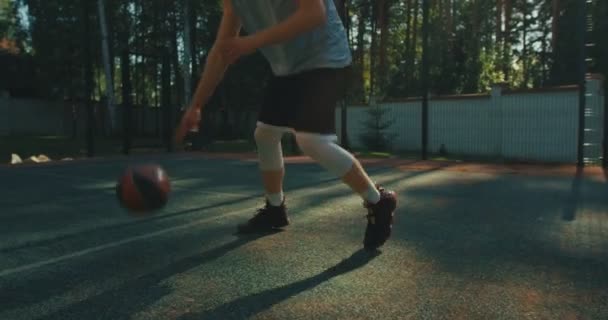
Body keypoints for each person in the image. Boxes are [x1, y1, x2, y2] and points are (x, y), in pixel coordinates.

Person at [175, 0, 397, 250]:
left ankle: (379, 201)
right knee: (265, 134)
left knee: (311, 141)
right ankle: (275, 208)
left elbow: (314, 13)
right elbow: (221, 51)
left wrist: (250, 42)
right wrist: (196, 104)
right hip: (286, 68)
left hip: (325, 57)